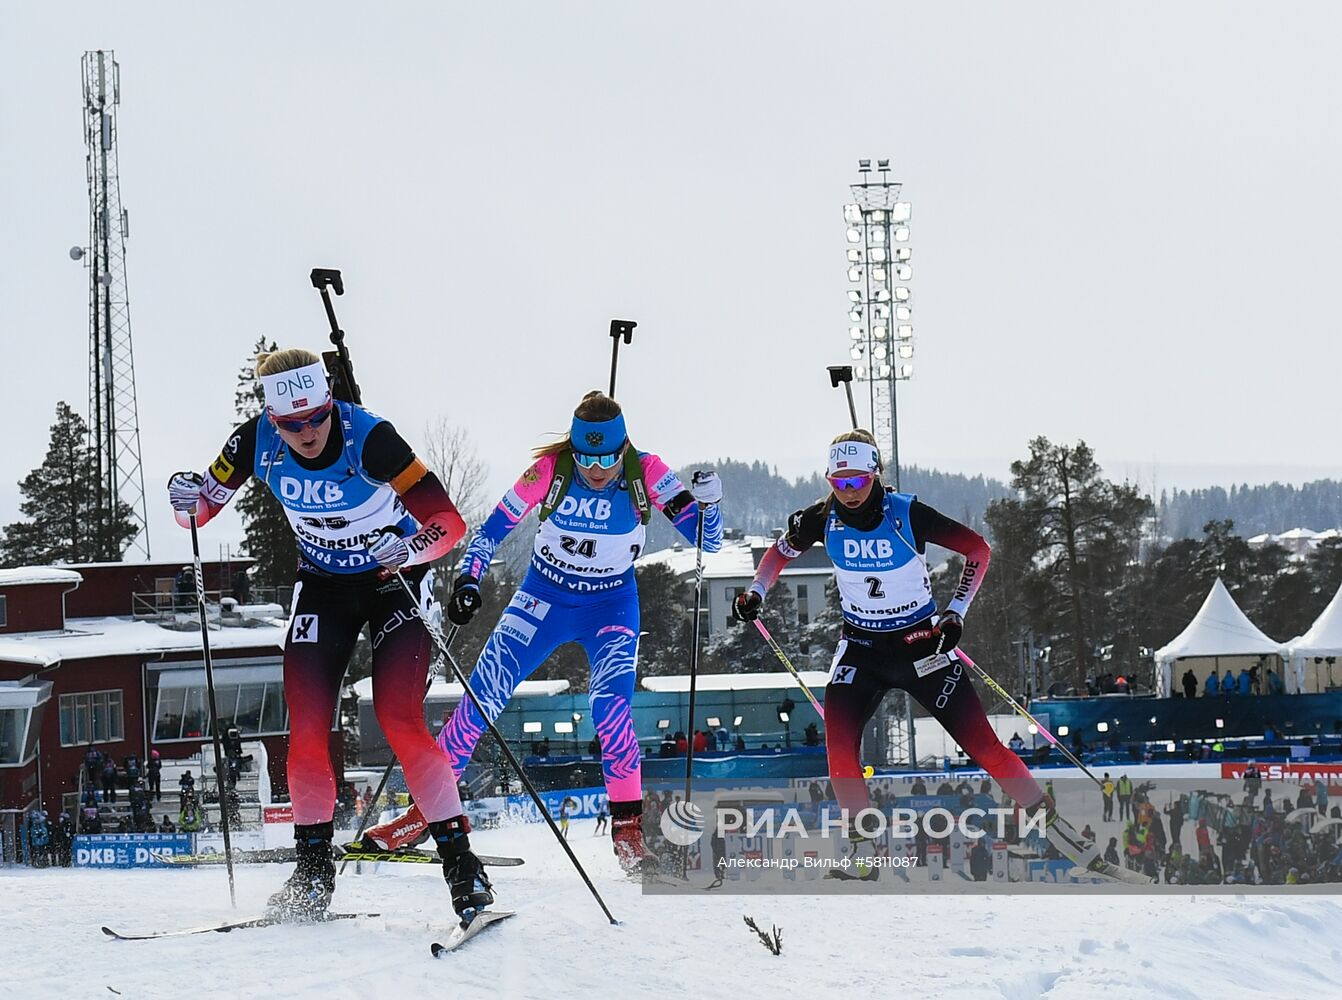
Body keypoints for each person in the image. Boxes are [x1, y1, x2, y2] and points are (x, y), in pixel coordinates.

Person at [167, 346, 485, 921]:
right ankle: (313, 872)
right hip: (323, 585)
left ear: (330, 401)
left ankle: (463, 869)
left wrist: (409, 547)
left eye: (317, 416)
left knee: (398, 719)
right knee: (308, 726)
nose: (308, 432)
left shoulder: (371, 438)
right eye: (292, 424)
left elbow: (449, 524)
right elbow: (196, 514)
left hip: (396, 581)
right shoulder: (252, 443)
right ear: (272, 420)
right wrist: (185, 497)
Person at [363, 390, 723, 877]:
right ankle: (425, 813)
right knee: (480, 697)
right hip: (543, 597)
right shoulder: (550, 471)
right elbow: (490, 531)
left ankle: (629, 833)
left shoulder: (648, 471)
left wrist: (712, 504)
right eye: (586, 458)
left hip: (610, 604)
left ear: (624, 449)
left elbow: (707, 540)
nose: (597, 471)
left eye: (608, 459)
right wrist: (469, 579)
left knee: (610, 708)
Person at [729, 429, 1100, 874]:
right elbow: (777, 555)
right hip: (861, 648)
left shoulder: (907, 513)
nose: (848, 492)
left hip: (919, 645)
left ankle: (1056, 829)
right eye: (838, 482)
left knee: (985, 746)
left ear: (875, 474)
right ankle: (863, 853)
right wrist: (756, 591)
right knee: (839, 746)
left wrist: (955, 612)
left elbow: (978, 550)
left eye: (858, 481)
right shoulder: (819, 519)